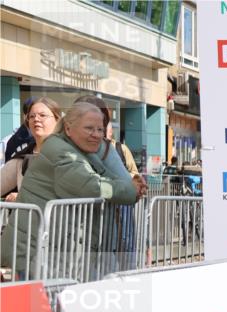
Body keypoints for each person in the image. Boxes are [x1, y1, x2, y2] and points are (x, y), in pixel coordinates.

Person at [4, 102, 138, 279]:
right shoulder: (60, 150)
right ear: (68, 128)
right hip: (34, 253)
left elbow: (101, 175)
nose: (97, 135)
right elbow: (90, 186)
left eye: (100, 129)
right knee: (43, 305)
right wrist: (130, 190)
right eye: (89, 128)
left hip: (51, 251)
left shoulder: (76, 148)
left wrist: (131, 186)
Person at [2, 97, 61, 201]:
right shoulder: (22, 159)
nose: (36, 119)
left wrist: (23, 197)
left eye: (42, 115)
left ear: (57, 120)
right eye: (32, 116)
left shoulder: (69, 154)